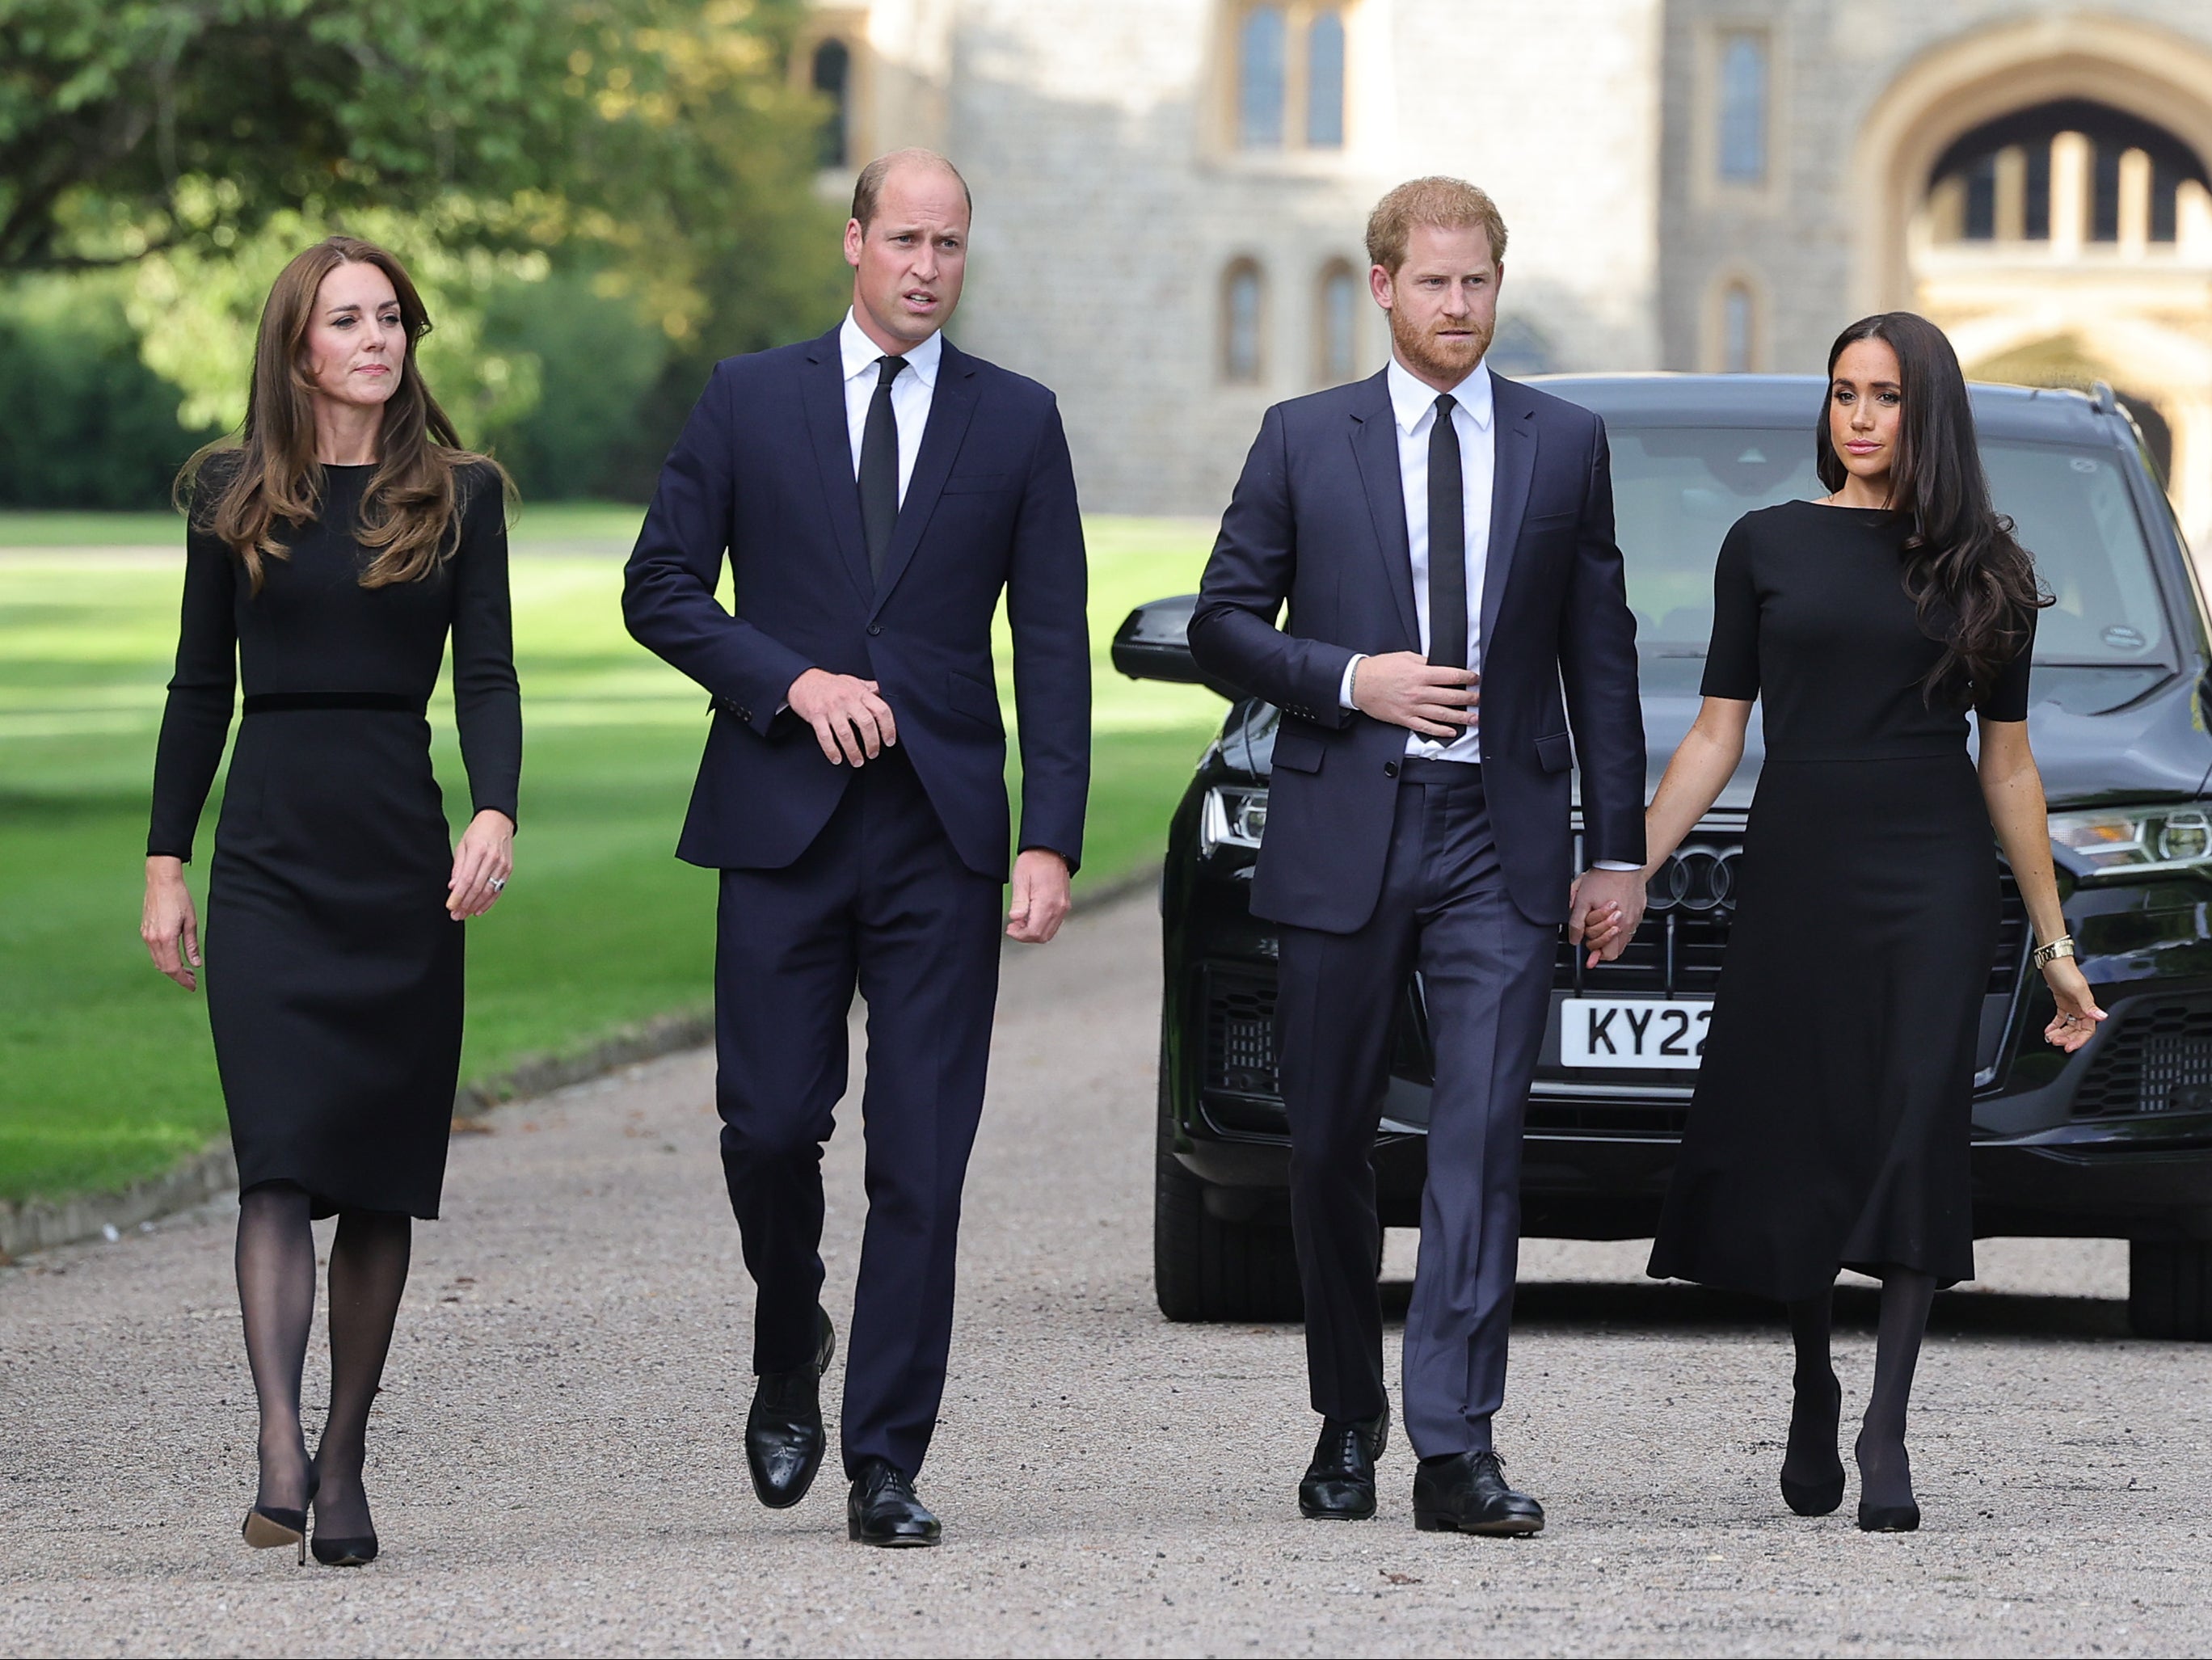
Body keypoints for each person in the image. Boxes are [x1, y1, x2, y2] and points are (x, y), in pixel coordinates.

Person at [622, 149, 1089, 1548]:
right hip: (780, 820)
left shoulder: (1017, 421)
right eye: (904, 239)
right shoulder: (747, 398)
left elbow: (1054, 647)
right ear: (853, 241)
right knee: (768, 1128)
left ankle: (886, 1456)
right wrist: (787, 681)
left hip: (939, 834)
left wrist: (1049, 838)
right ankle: (789, 1330)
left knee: (923, 1162)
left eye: (949, 244)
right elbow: (658, 587)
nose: (926, 267)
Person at [1188, 177, 1646, 1536]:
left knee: (1480, 1137)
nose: (1457, 306)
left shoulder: (1564, 443)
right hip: (1343, 828)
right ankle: (1349, 1411)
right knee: (1326, 1139)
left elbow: (1599, 660)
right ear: (1379, 285)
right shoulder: (1298, 440)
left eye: (1477, 283)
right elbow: (1221, 622)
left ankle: (1455, 1442)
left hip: (1495, 844)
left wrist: (1612, 851)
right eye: (1432, 282)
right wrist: (1349, 678)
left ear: (1498, 286)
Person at [1625, 312, 2103, 1531]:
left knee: (1910, 1125)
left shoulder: (1986, 566)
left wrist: (2053, 949)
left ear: (1924, 411)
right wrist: (1625, 866)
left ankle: (1886, 1420)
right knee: (1802, 1127)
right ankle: (1811, 1374)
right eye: (1843, 391)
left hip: (1932, 873)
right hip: (1799, 866)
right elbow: (1714, 732)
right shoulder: (1766, 544)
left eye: (1884, 395)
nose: (1858, 414)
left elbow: (2007, 766)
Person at [142, 236, 520, 1566]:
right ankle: (278, 1446)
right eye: (347, 319)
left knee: (374, 1178)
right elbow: (199, 689)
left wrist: (494, 806)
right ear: (298, 346)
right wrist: (165, 861)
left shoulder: (462, 494)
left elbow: (489, 676)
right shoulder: (230, 494)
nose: (377, 338)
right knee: (279, 1157)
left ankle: (346, 1453)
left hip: (396, 860)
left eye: (391, 318)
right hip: (267, 858)